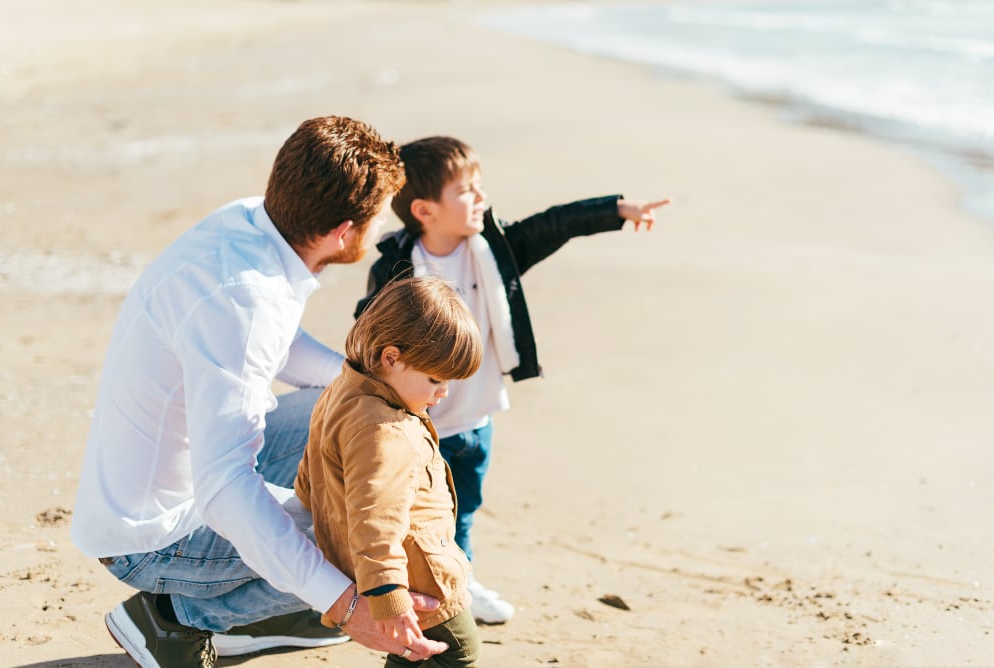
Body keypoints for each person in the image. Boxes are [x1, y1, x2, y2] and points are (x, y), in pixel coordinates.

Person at [70, 116, 450, 668]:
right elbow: (225, 489)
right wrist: (347, 605)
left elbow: (282, 346)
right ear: (344, 232)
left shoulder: (253, 224)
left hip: (173, 478)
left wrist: (386, 386)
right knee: (355, 542)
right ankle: (175, 616)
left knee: (374, 422)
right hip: (148, 537)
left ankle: (266, 604)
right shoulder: (242, 299)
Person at [355, 135, 670, 624]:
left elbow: (553, 225)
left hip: (474, 420)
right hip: (418, 425)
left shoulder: (492, 251)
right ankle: (409, 591)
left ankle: (458, 585)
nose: (481, 198)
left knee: (462, 513)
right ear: (424, 209)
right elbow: (367, 337)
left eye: (480, 186)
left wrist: (617, 210)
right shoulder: (396, 270)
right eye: (466, 190)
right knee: (411, 513)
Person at [296, 276, 483, 667]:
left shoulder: (344, 389)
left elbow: (310, 470)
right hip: (418, 577)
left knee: (412, 657)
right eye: (435, 378)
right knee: (459, 652)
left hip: (400, 569)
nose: (443, 391)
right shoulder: (384, 430)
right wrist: (388, 594)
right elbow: (376, 520)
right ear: (392, 357)